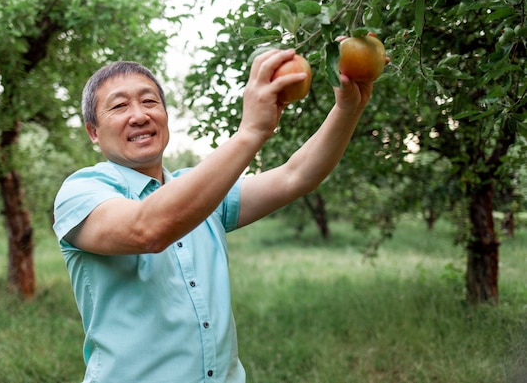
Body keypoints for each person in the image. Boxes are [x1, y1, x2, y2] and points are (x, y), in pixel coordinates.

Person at [53, 46, 381, 383]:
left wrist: (347, 109)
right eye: (119, 106)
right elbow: (148, 229)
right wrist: (251, 132)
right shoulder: (82, 192)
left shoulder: (199, 191)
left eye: (150, 102)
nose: (139, 115)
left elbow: (295, 176)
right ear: (93, 131)